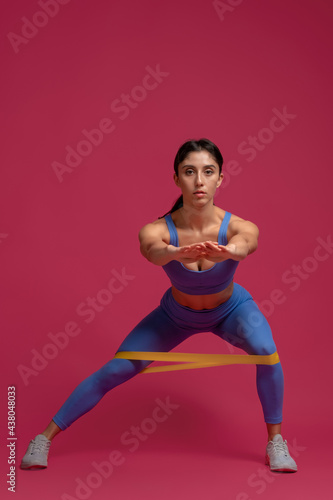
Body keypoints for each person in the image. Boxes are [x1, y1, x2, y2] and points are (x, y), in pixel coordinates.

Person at [20, 138, 297, 472]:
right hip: (176, 316)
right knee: (117, 369)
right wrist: (175, 253)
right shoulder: (156, 230)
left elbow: (247, 242)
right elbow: (153, 252)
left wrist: (230, 251)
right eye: (189, 171)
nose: (199, 181)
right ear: (176, 178)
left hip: (230, 311)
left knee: (267, 352)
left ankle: (276, 443)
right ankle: (44, 439)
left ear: (220, 178)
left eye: (208, 172)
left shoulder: (238, 225)